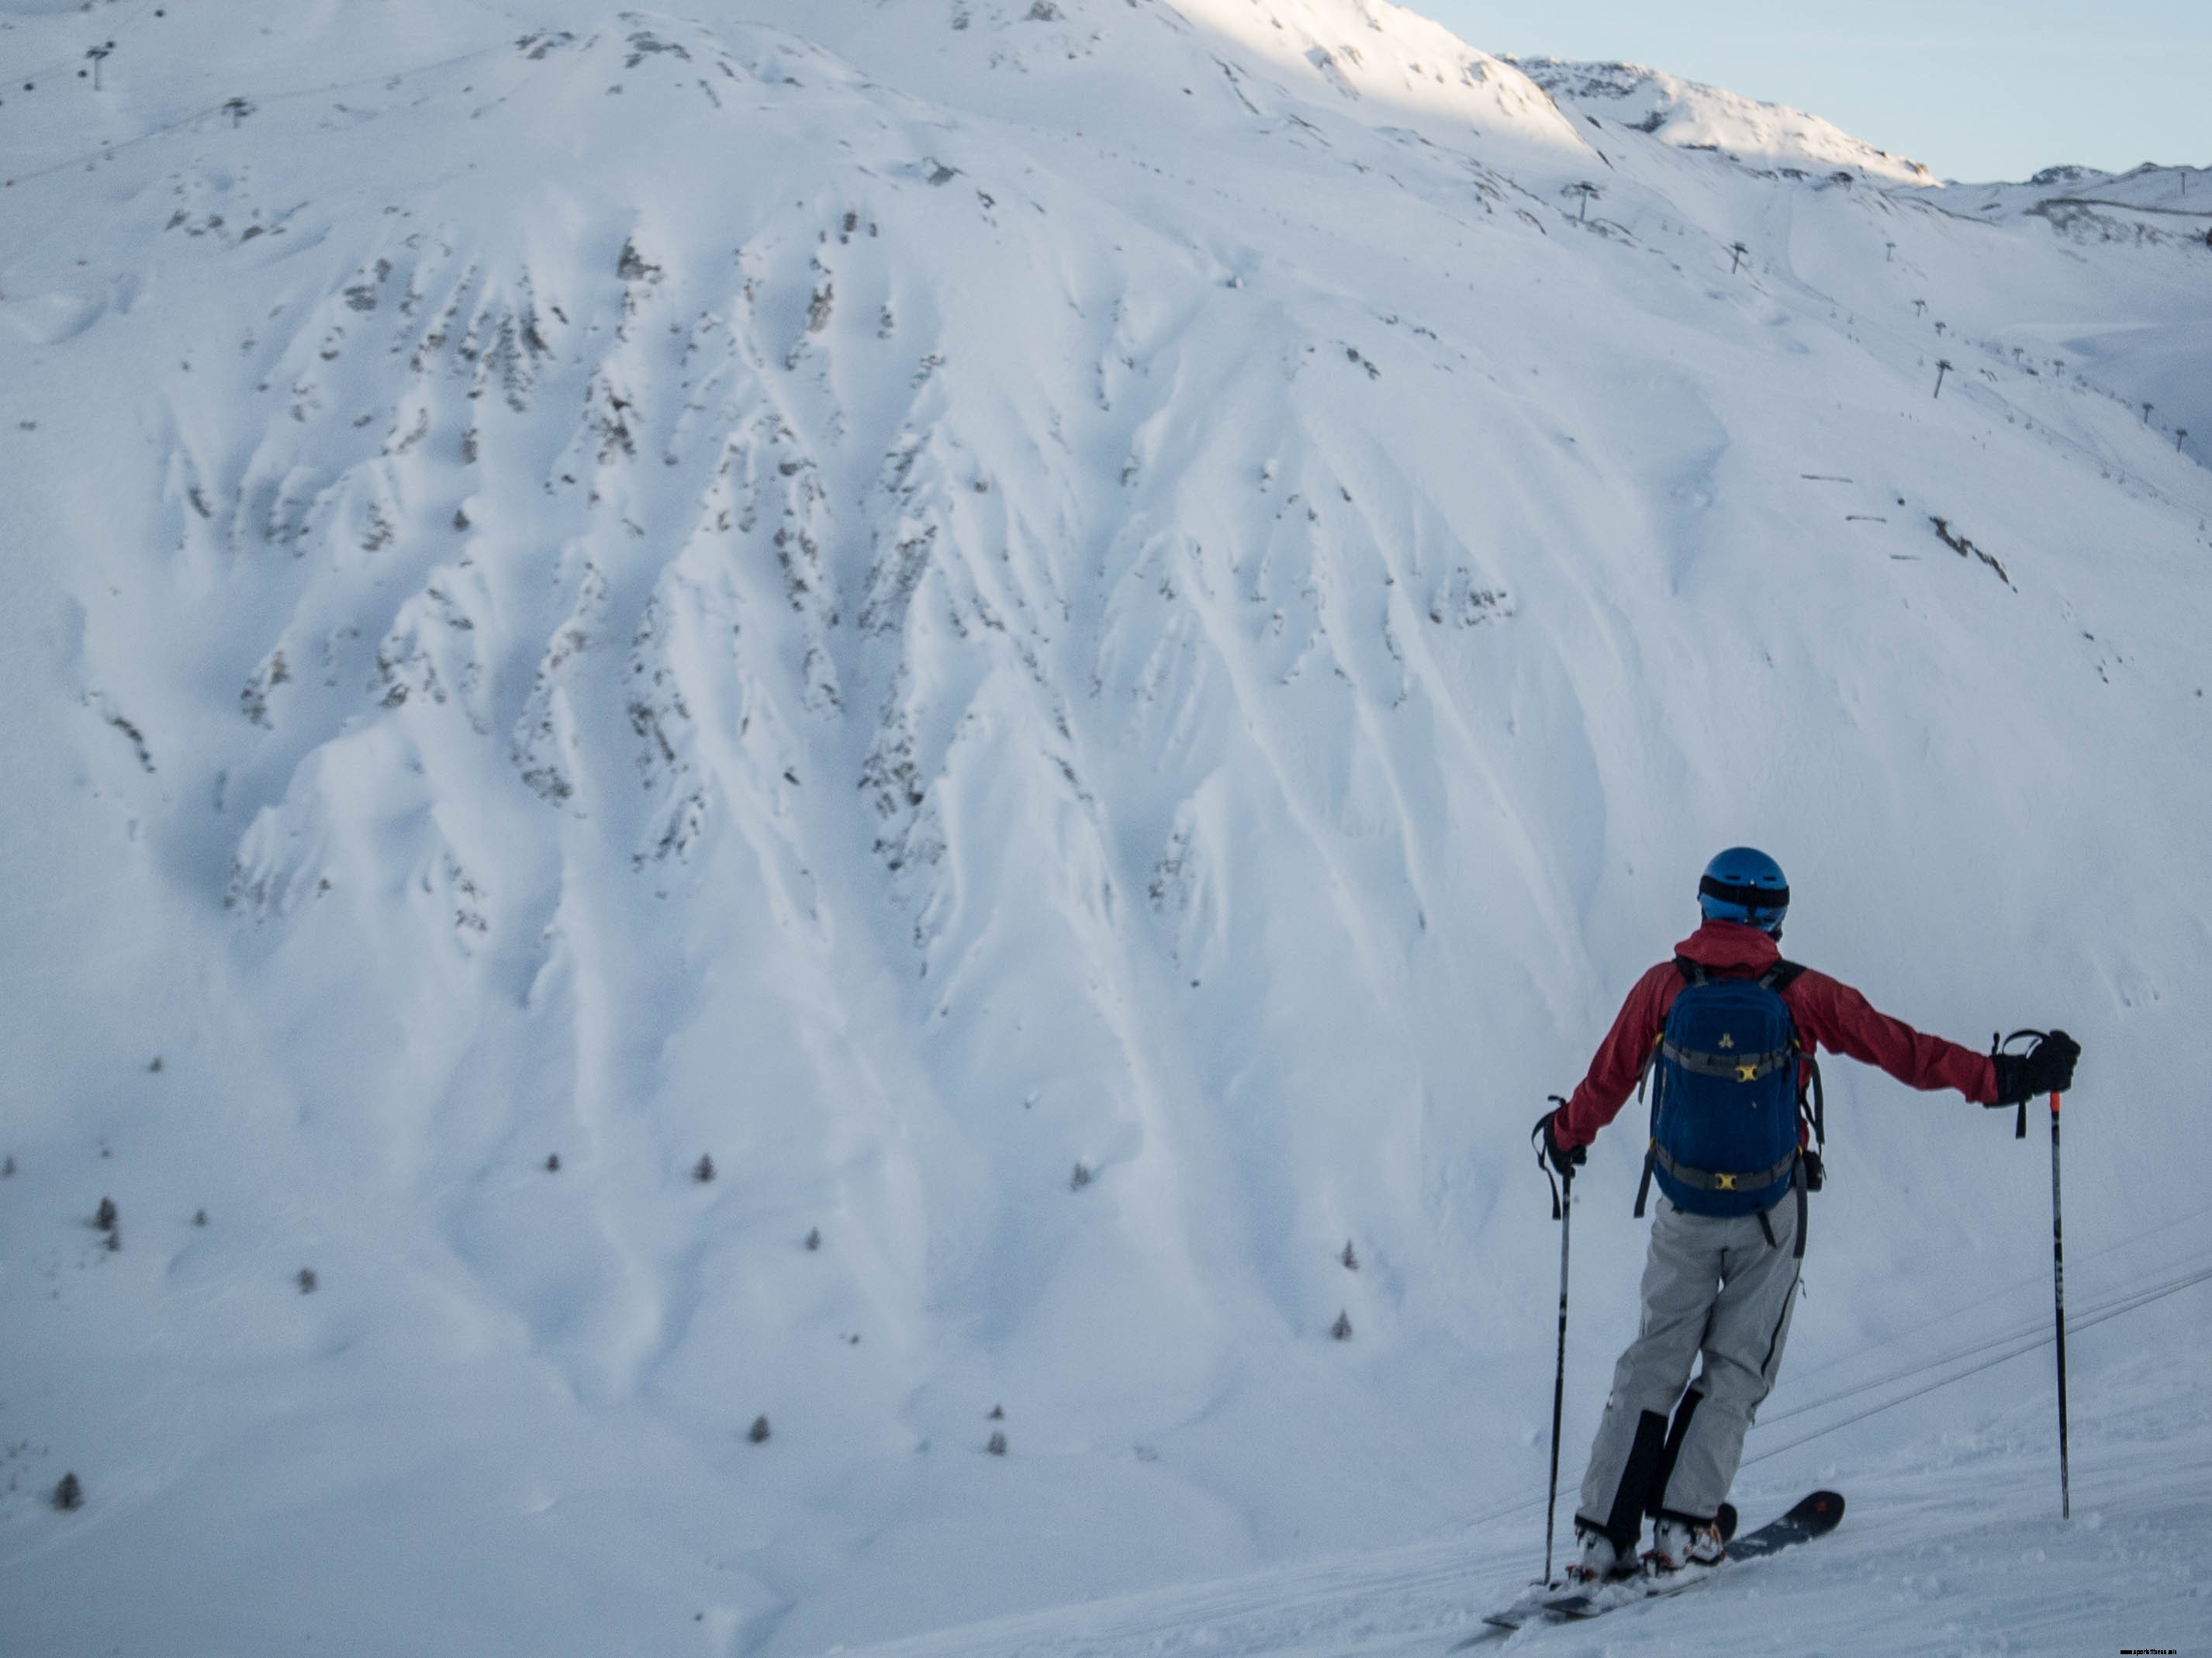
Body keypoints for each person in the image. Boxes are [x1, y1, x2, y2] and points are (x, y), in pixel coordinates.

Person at [1533, 847, 2079, 1583]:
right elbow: (1902, 1050)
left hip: (1684, 1211)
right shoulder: (1800, 994)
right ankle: (1683, 1528)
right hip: (1768, 1215)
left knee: (1652, 1363)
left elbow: (1606, 1078)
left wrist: (1566, 1137)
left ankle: (1603, 1538)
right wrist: (2004, 1078)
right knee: (1736, 1369)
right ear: (1775, 918)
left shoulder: (1664, 988)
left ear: (1706, 907)